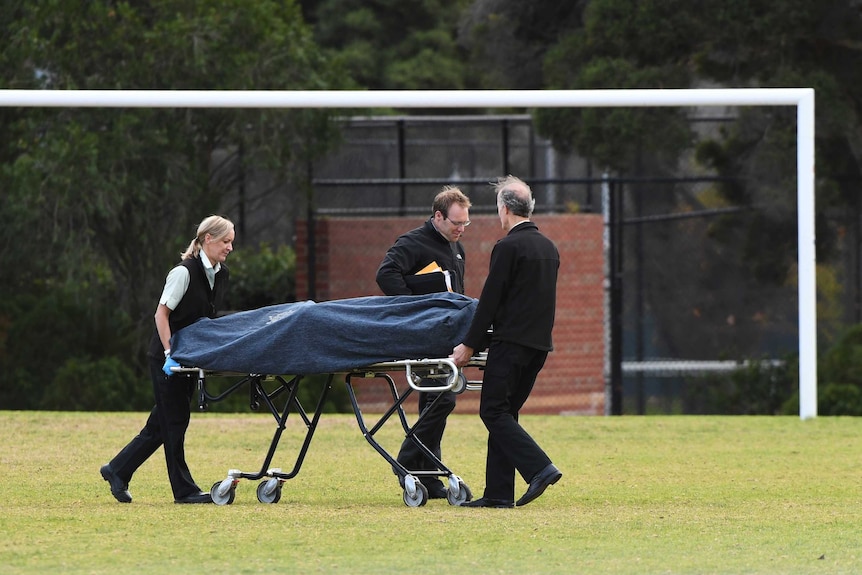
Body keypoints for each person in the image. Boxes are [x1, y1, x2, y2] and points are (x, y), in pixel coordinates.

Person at [100, 215, 235, 504]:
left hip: (189, 359)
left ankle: (117, 469)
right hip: (168, 359)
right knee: (174, 422)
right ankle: (184, 491)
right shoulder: (183, 273)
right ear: (207, 239)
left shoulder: (221, 274)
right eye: (225, 241)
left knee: (161, 424)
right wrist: (168, 354)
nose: (230, 248)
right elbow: (161, 315)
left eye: (231, 242)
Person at [451, 175, 562, 508]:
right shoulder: (548, 247)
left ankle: (540, 468)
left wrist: (469, 344)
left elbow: (491, 300)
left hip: (510, 344)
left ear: (504, 209)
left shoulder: (508, 247)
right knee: (506, 414)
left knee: (493, 411)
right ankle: (499, 494)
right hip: (538, 346)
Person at [376, 186, 472, 499]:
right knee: (443, 399)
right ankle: (406, 460)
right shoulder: (413, 242)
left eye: (465, 223)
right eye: (456, 222)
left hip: (445, 336)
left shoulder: (457, 249)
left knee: (434, 401)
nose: (460, 228)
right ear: (438, 216)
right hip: (423, 335)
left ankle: (428, 475)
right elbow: (386, 274)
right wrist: (414, 310)